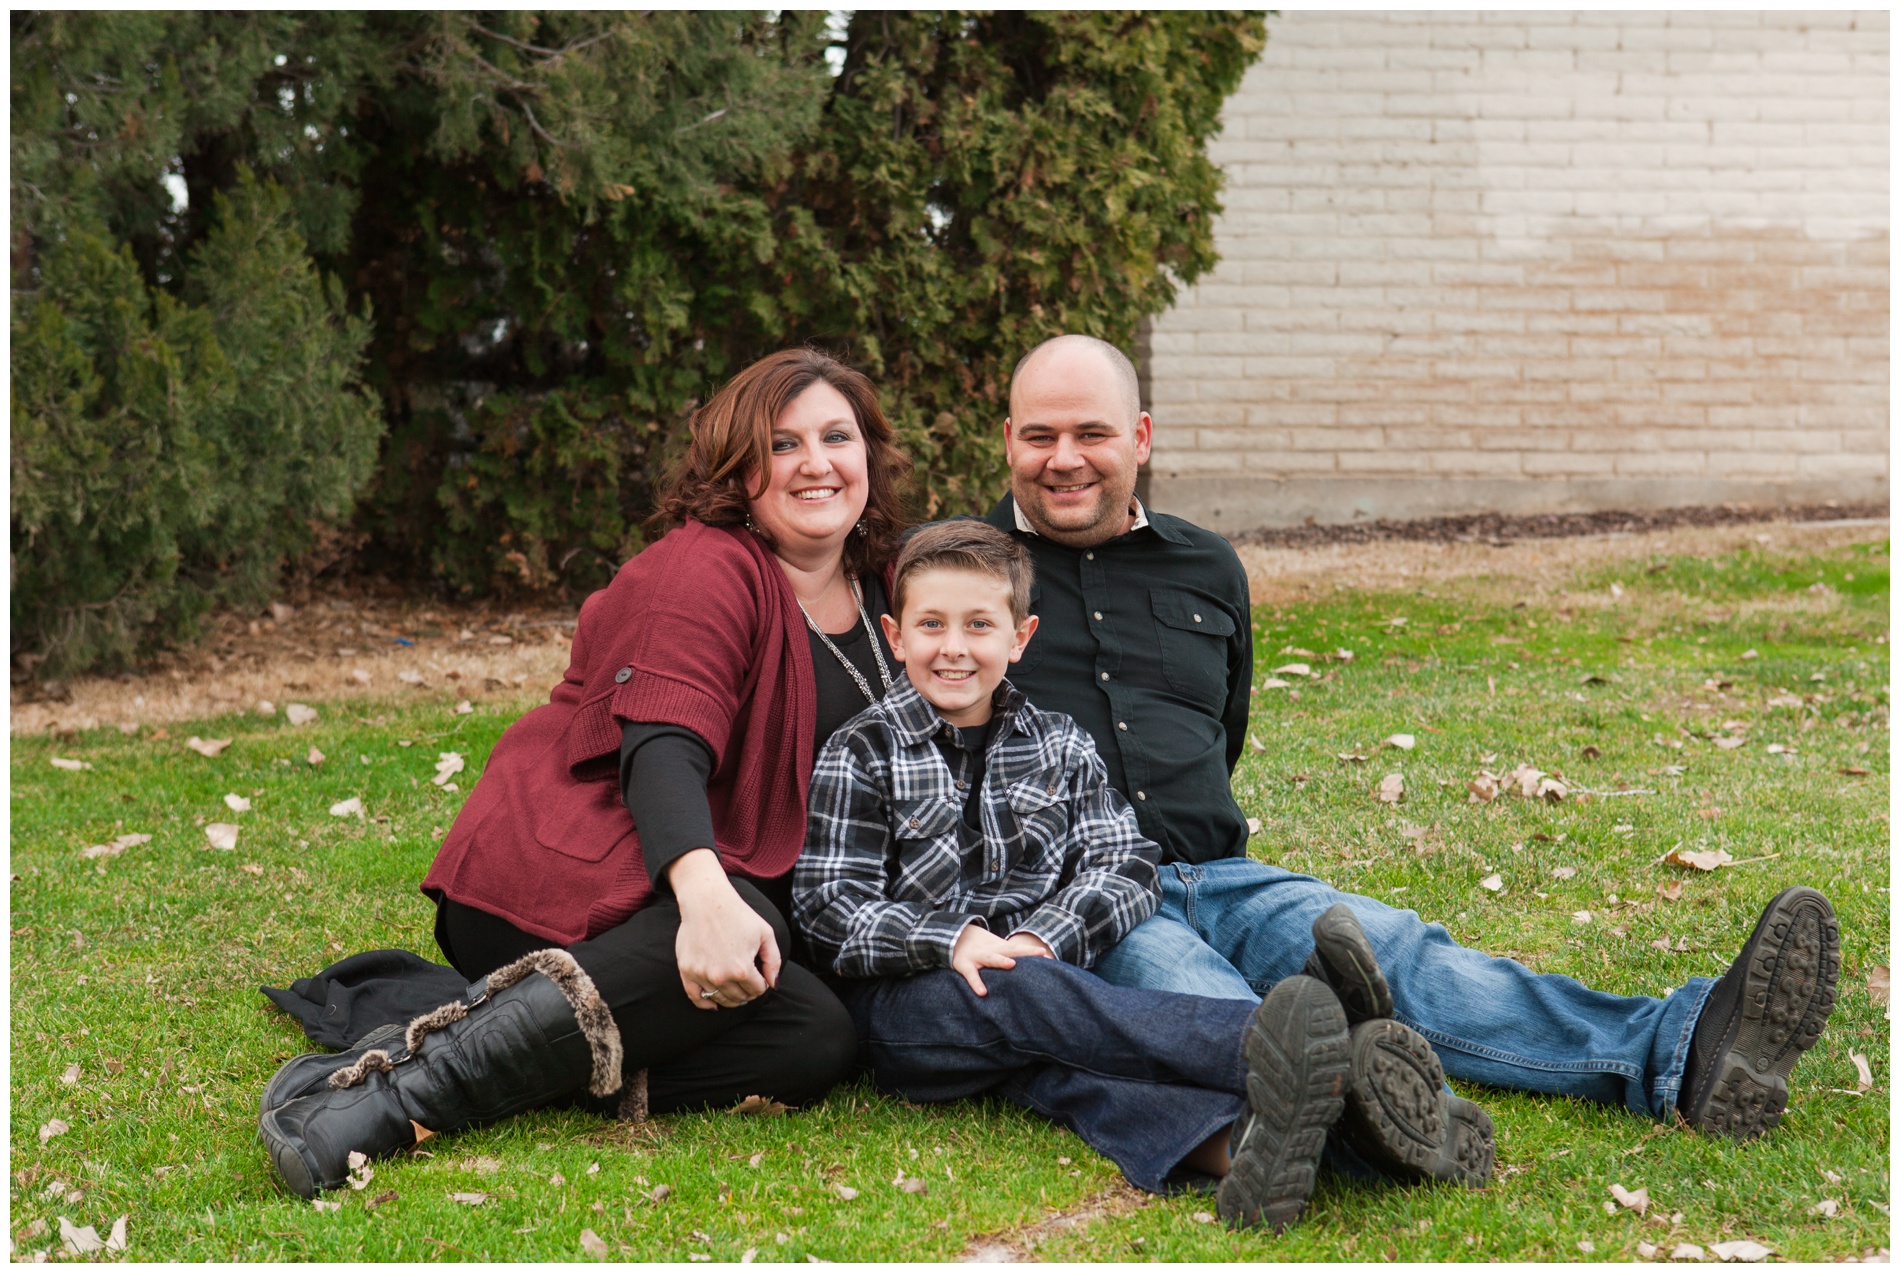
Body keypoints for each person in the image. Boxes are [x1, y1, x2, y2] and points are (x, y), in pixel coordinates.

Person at [976, 333, 1842, 1142]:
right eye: (1041, 435)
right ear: (1009, 437)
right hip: (1082, 903)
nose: (1064, 459)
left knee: (1404, 954)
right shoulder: (963, 576)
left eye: (1092, 433)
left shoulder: (1206, 566)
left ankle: (1680, 1048)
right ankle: (1376, 1117)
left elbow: (1221, 727)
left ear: (1142, 436)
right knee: (1218, 1010)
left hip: (1225, 874)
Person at [257, 348, 912, 1196]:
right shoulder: (706, 565)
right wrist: (709, 897)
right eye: (783, 445)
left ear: (870, 451)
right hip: (569, 861)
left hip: (701, 892)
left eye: (837, 435)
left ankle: (496, 1041)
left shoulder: (892, 583)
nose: (817, 463)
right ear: (739, 469)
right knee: (749, 919)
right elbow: (662, 748)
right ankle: (379, 1097)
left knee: (820, 1037)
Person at [793, 520, 1493, 1233]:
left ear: (1020, 636)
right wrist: (953, 940)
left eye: (979, 624)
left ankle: (1277, 1146)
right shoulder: (862, 750)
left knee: (1076, 1074)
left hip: (1051, 984)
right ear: (895, 633)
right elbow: (826, 906)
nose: (953, 647)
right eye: (931, 624)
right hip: (909, 1008)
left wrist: (1044, 934)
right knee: (1030, 995)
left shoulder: (1059, 742)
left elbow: (1125, 863)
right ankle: (1284, 1040)